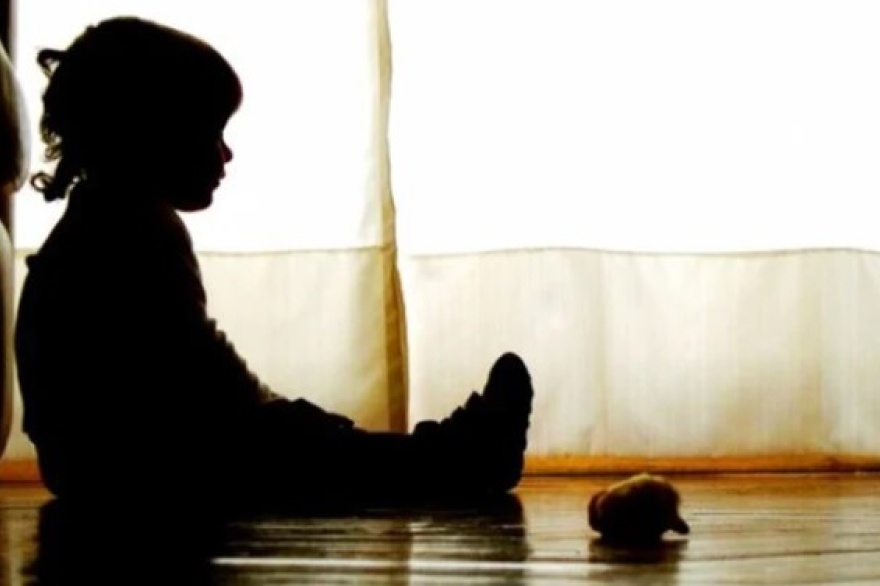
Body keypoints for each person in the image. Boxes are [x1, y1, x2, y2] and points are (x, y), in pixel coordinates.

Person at [14, 16, 534, 514]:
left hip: (85, 466)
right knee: (313, 450)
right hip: (142, 466)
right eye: (211, 133)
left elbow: (189, 369)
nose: (226, 154)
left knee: (303, 437)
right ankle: (456, 458)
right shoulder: (138, 228)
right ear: (153, 134)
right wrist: (284, 421)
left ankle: (445, 453)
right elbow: (203, 381)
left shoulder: (96, 224)